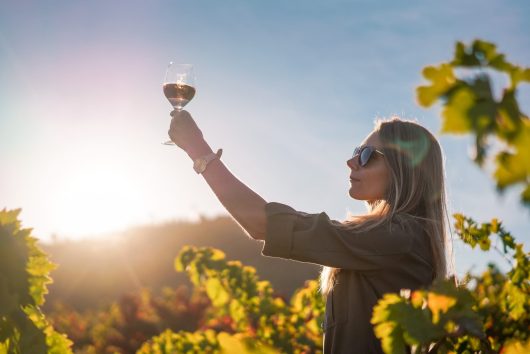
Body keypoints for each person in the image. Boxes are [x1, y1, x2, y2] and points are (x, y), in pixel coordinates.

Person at [168, 110, 450, 354]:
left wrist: (199, 150)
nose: (351, 162)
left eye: (366, 155)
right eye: (355, 152)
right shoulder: (389, 239)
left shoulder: (399, 237)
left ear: (404, 169)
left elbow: (262, 222)